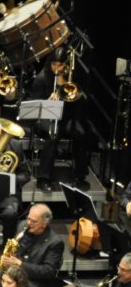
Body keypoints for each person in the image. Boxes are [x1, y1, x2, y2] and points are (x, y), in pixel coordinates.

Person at [30, 48, 91, 190]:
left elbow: (80, 101)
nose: (57, 68)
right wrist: (48, 101)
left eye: (60, 65)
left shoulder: (72, 77)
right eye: (54, 65)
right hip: (47, 118)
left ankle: (80, 176)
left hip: (67, 117)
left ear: (65, 65)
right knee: (52, 136)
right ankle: (44, 178)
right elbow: (35, 104)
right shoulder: (42, 78)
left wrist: (75, 95)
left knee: (81, 135)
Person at [0, 204, 65, 287]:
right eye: (28, 218)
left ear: (44, 223)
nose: (29, 223)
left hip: (36, 286)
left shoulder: (55, 243)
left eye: (34, 221)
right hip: (13, 277)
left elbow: (48, 272)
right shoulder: (23, 226)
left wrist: (20, 264)